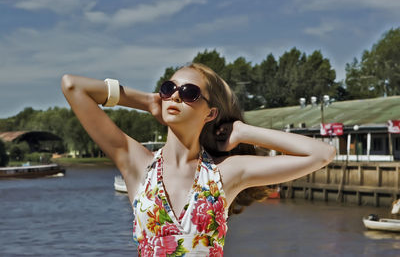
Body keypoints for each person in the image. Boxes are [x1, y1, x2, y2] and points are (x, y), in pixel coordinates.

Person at [61, 63, 336, 256]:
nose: (176, 96)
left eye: (190, 93)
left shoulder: (225, 174)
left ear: (210, 113)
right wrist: (146, 101)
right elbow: (73, 86)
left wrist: (241, 131)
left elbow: (322, 154)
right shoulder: (137, 165)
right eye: (169, 88)